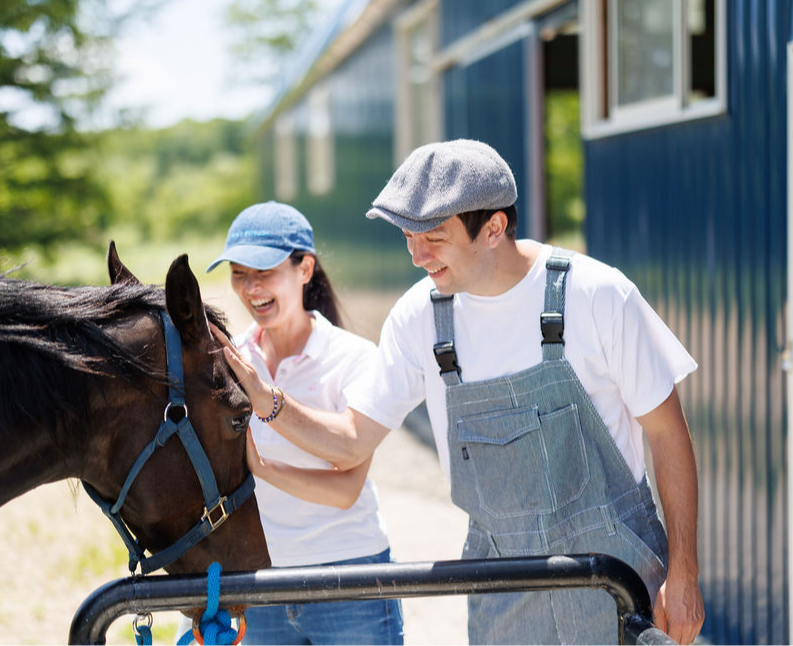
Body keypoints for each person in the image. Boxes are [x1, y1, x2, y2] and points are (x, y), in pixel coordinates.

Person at [214, 141, 705, 645]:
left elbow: (668, 434)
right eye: (408, 236)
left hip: (616, 577)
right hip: (502, 588)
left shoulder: (598, 295)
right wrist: (266, 400)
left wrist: (683, 570)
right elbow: (353, 440)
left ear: (493, 228)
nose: (415, 255)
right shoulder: (419, 318)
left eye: (433, 237)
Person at [185, 201, 404, 645]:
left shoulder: (355, 358)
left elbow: (346, 490)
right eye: (239, 274)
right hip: (257, 580)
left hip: (350, 578)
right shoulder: (229, 360)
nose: (251, 288)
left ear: (305, 269)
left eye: (264, 272)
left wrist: (265, 461)